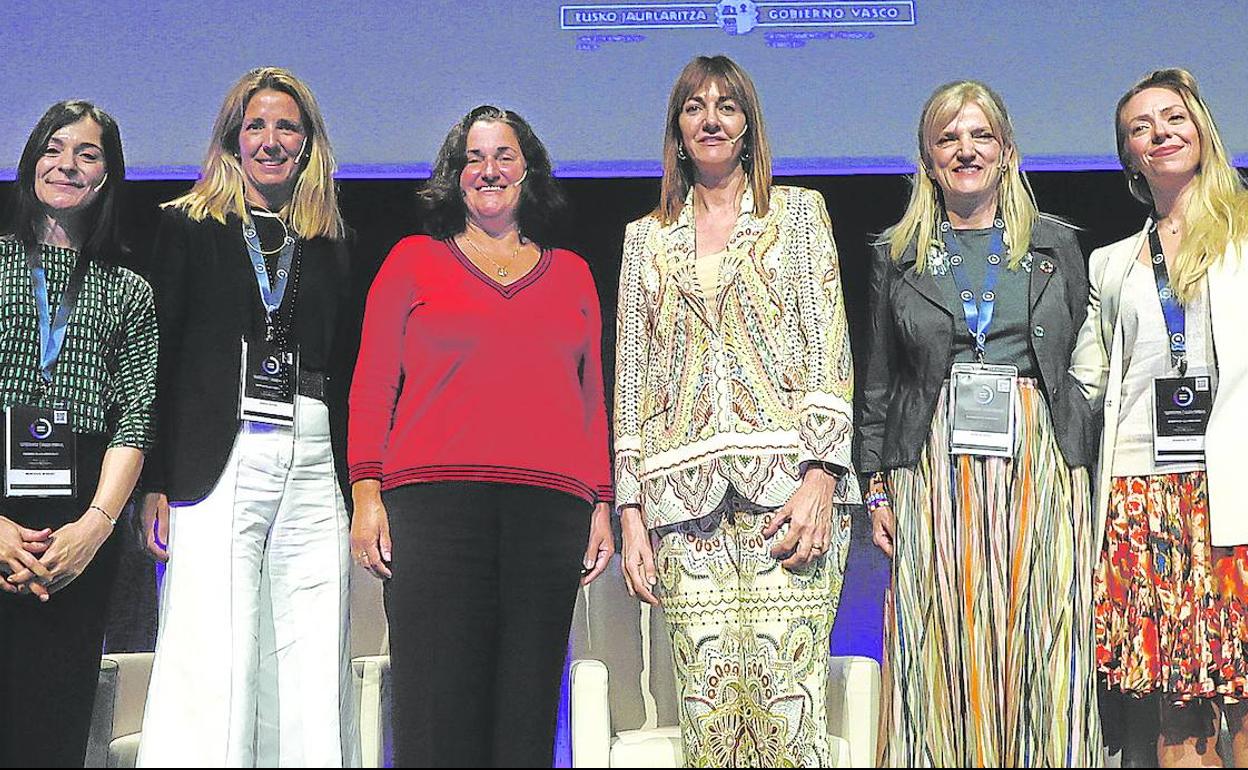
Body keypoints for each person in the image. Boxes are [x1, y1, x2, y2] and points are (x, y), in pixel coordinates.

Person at [348, 104, 614, 767]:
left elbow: (591, 397)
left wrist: (602, 501)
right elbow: (373, 380)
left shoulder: (574, 273)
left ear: (528, 171)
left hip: (549, 513)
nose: (488, 170)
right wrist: (366, 491)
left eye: (504, 156)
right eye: (474, 158)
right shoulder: (412, 261)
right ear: (455, 174)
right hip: (435, 511)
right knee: (437, 711)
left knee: (525, 716)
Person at [614, 55, 858, 767]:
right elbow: (631, 376)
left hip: (790, 493)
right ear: (678, 129)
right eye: (695, 107)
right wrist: (631, 512)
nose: (711, 118)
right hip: (681, 506)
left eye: (726, 105)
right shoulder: (645, 238)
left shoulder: (799, 212)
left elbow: (828, 348)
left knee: (786, 710)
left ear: (748, 124)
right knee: (711, 719)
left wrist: (821, 478)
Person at [856, 80, 1101, 766]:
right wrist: (876, 484)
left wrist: (1079, 446)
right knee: (941, 641)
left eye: (980, 136)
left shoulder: (1055, 245)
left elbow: (1085, 354)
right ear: (929, 161)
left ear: (1006, 151)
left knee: (1040, 636)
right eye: (948, 138)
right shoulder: (897, 254)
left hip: (1039, 458)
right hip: (934, 456)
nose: (965, 150)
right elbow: (880, 379)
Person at [135, 67, 358, 767]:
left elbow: (342, 359)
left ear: (308, 143)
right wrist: (155, 480)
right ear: (233, 138)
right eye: (256, 125)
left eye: (286, 126)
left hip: (314, 453)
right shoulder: (187, 226)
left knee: (314, 646)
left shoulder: (328, 239)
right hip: (217, 453)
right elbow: (158, 362)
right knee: (215, 648)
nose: (270, 140)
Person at [1070, 68, 1248, 768]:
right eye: (1140, 127)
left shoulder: (1243, 236)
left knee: (1240, 697)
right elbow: (1089, 380)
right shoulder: (1112, 263)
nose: (1160, 134)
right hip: (1140, 492)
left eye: (1172, 118)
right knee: (1174, 707)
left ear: (1201, 128)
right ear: (1128, 156)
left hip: (1230, 486)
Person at [0, 100, 157, 767]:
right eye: (53, 147)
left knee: (57, 717)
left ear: (107, 176)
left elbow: (137, 413)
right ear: (32, 157)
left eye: (87, 153)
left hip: (79, 518)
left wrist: (94, 528)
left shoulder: (129, 289)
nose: (66, 164)